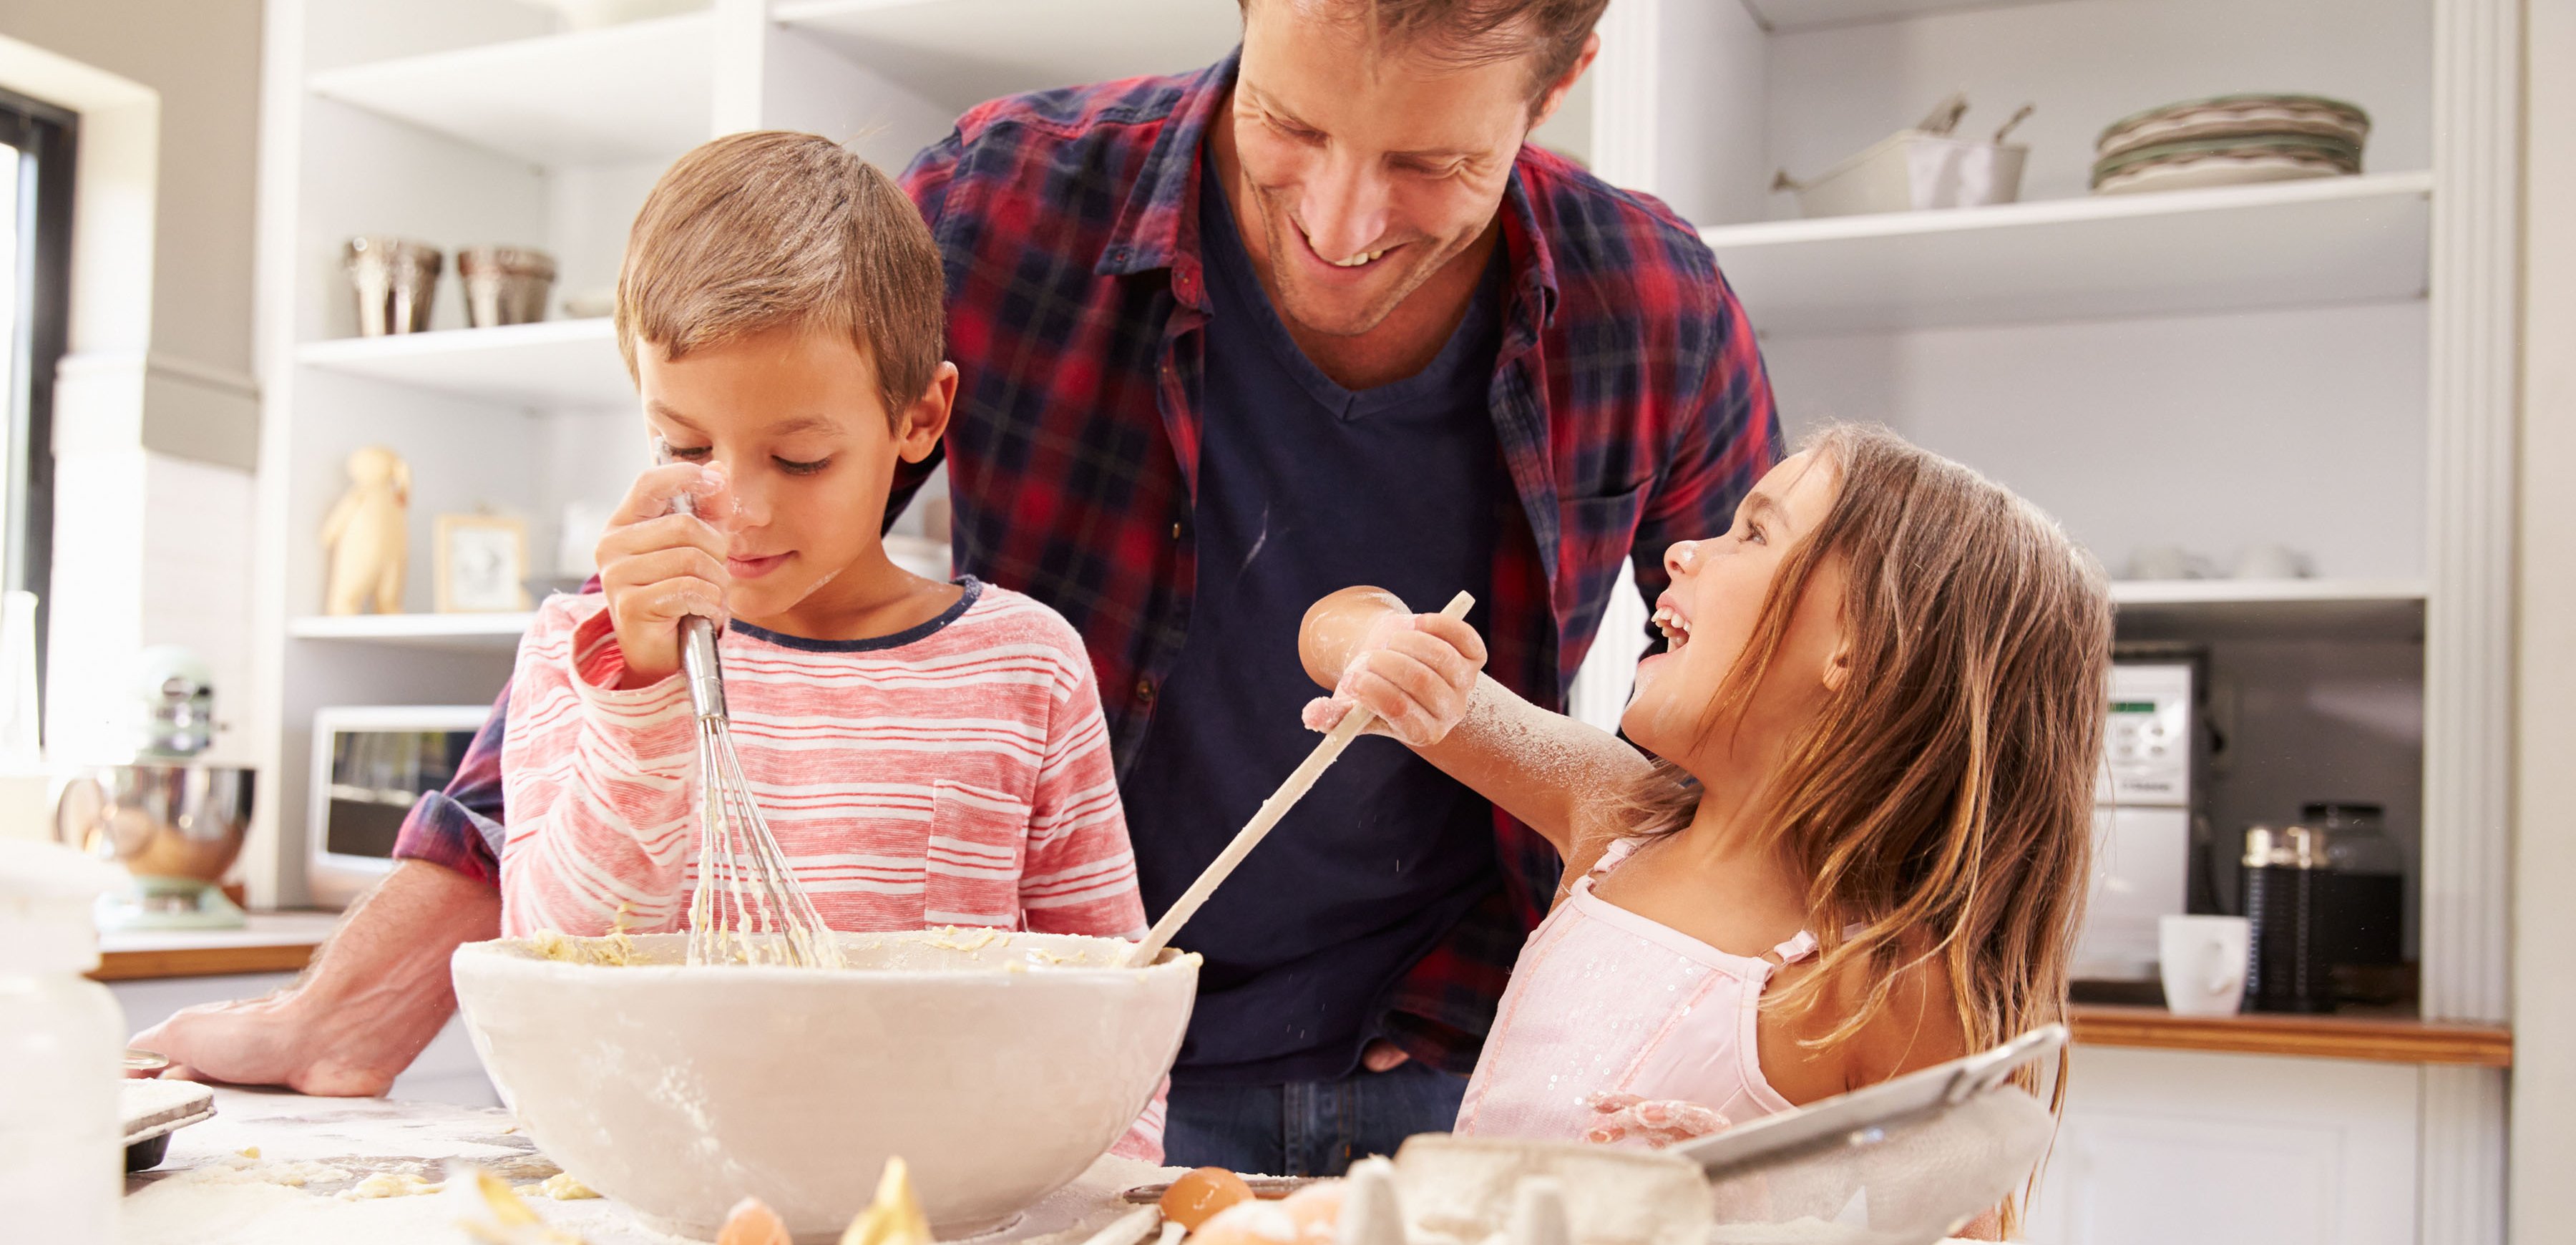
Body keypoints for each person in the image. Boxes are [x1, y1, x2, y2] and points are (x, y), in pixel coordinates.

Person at [135, 0, 1781, 1173]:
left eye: (1430, 164)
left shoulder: (1653, 311)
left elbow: (1770, 767)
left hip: (1432, 1067)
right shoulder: (1002, 209)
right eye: (1289, 122)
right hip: (1026, 1098)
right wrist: (356, 1009)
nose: (1342, 221)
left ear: (1562, 75)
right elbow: (698, 574)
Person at [1298, 426, 2108, 1222]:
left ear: (1859, 647)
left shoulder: (1883, 984)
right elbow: (1332, 627)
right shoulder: (1616, 816)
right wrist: (1382, 645)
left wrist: (1776, 1216)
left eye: (1754, 533)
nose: (1684, 550)